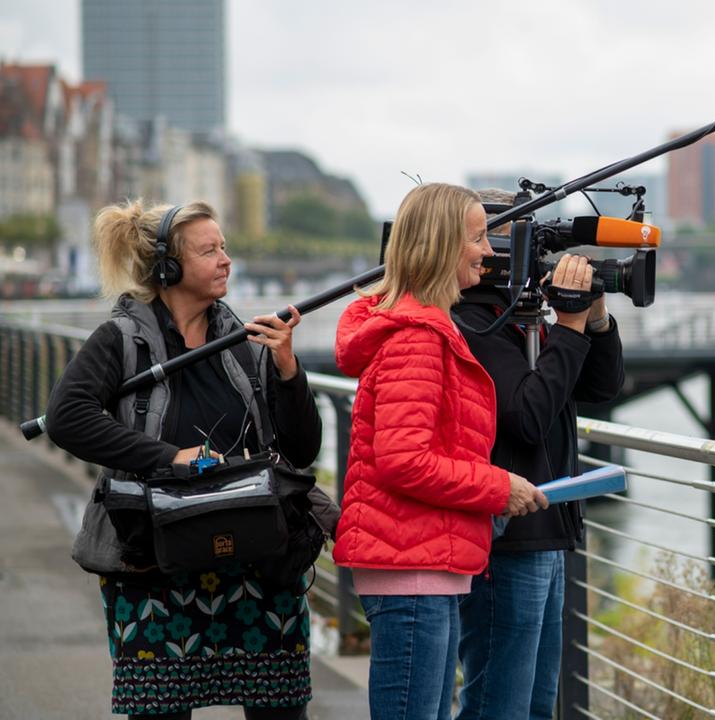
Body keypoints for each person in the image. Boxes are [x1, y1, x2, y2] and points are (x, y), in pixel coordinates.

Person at [45, 200, 323, 719]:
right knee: (158, 711)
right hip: (155, 560)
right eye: (209, 250)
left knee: (281, 709)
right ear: (167, 268)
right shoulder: (120, 340)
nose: (226, 259)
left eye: (224, 247)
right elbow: (67, 418)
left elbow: (303, 449)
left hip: (255, 560)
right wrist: (171, 457)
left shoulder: (248, 342)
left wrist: (288, 369)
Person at [332, 182, 548, 720]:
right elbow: (403, 460)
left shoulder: (425, 329)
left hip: (425, 562)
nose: (490, 252)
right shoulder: (418, 338)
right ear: (443, 244)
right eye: (478, 238)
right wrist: (501, 487)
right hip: (413, 568)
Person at [454, 189, 626, 720]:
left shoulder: (518, 318)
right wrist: (568, 329)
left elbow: (600, 387)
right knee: (496, 702)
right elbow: (528, 416)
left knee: (533, 704)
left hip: (546, 527)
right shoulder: (473, 325)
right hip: (507, 536)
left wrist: (592, 319)